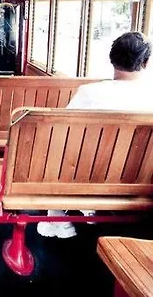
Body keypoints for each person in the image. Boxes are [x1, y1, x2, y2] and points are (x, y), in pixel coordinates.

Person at [37, 31, 153, 239]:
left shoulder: (89, 93)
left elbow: (61, 132)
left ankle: (57, 217)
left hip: (90, 177)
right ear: (145, 63)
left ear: (112, 59)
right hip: (142, 180)